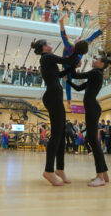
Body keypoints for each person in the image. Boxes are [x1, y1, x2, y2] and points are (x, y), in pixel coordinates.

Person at [31, 38, 82, 186]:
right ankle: (49, 170)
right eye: (47, 43)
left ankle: (60, 169)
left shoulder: (47, 60)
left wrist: (72, 65)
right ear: (44, 48)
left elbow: (59, 75)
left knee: (60, 135)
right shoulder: (47, 57)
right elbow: (65, 59)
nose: (50, 44)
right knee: (56, 135)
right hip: (53, 97)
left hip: (55, 97)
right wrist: (76, 47)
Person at [65, 55, 111, 187]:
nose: (93, 60)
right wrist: (67, 80)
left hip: (92, 109)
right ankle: (104, 175)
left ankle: (100, 177)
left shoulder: (95, 73)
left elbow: (75, 76)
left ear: (101, 64)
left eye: (96, 59)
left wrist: (74, 63)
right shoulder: (96, 74)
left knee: (93, 141)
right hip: (92, 108)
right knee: (94, 142)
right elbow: (79, 88)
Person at [59, 14, 111, 109]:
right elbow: (95, 35)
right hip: (69, 66)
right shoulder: (81, 49)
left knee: (68, 80)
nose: (78, 38)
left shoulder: (69, 46)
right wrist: (107, 25)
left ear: (76, 44)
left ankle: (69, 101)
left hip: (67, 66)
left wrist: (61, 22)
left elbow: (63, 33)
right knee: (68, 80)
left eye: (78, 39)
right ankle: (69, 101)